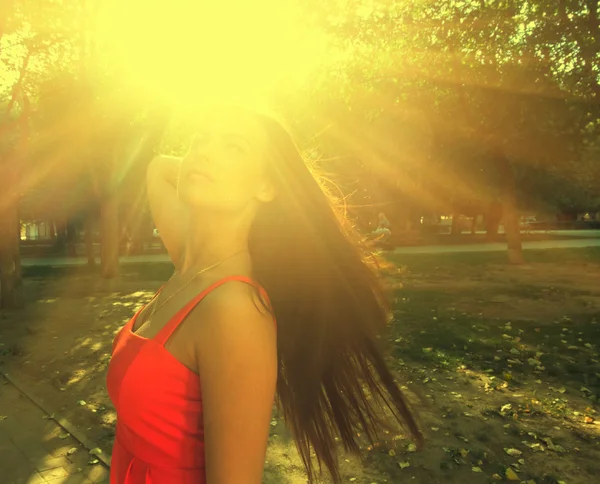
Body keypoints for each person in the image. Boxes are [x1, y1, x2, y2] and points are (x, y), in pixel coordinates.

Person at [106, 107, 422, 484]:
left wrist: (214, 169)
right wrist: (220, 166)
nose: (205, 151)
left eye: (234, 147)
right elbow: (157, 167)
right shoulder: (192, 267)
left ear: (268, 185)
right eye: (200, 139)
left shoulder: (234, 311)